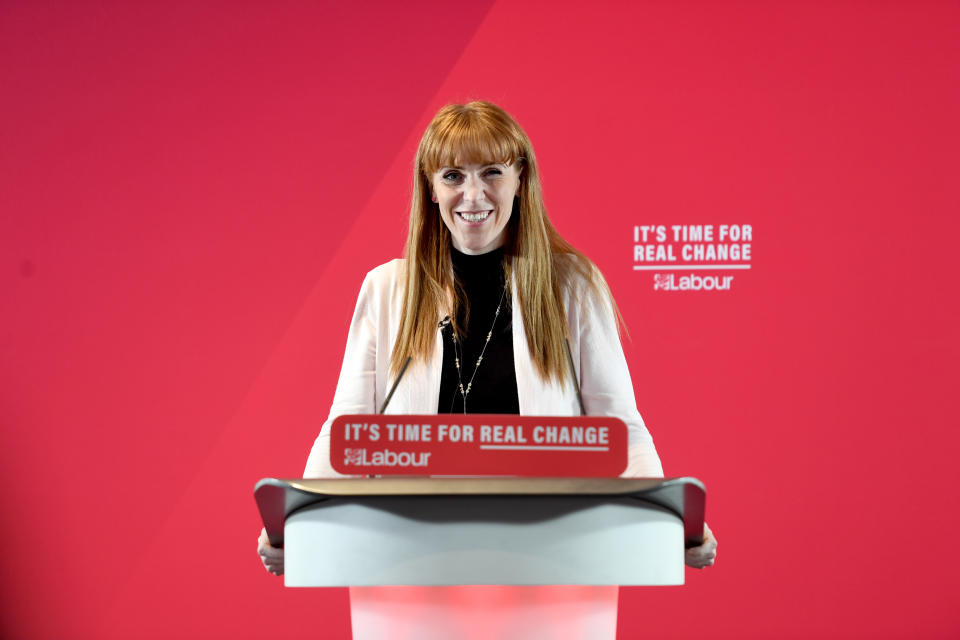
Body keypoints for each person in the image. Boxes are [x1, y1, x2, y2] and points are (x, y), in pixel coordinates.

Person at [257, 101, 717, 575]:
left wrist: (670, 523)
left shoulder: (572, 286)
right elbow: (345, 433)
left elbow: (624, 434)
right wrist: (299, 522)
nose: (473, 195)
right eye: (453, 175)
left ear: (520, 181)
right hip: (407, 564)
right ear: (431, 190)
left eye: (491, 172)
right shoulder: (385, 289)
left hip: (551, 563)